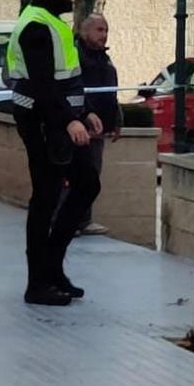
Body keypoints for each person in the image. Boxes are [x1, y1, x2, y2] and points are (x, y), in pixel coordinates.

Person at [7, 0, 102, 307]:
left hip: (62, 120)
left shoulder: (53, 22)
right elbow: (45, 86)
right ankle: (38, 283)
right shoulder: (35, 26)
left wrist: (87, 111)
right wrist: (69, 120)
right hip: (43, 123)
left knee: (87, 184)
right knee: (45, 199)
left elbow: (69, 79)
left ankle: (53, 268)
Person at [75, 14, 122, 236]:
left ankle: (84, 220)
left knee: (92, 174)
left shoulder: (104, 58)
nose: (104, 35)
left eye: (106, 30)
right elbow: (73, 89)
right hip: (78, 125)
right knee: (73, 175)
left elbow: (111, 90)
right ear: (85, 32)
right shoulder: (76, 56)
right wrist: (86, 113)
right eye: (99, 30)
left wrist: (117, 118)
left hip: (99, 129)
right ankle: (66, 221)